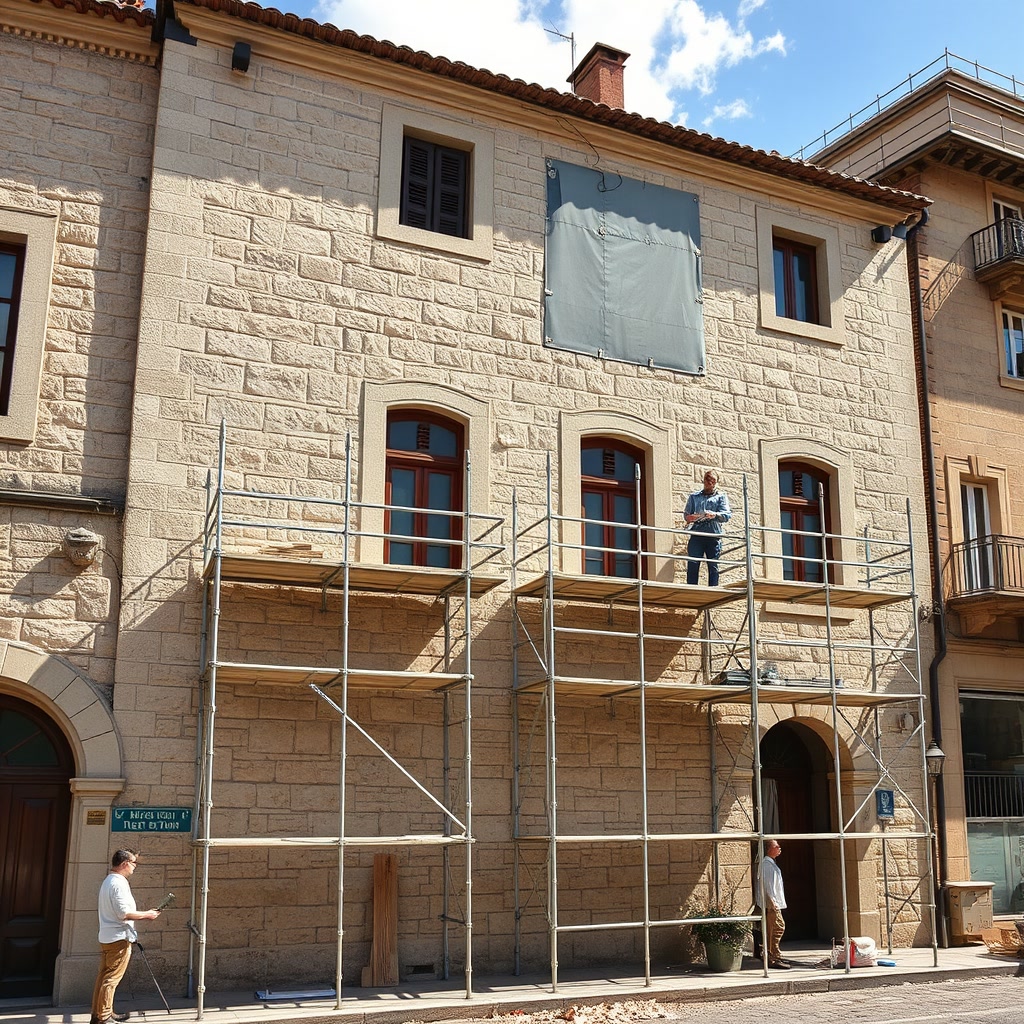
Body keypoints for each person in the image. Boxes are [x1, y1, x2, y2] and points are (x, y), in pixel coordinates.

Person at [91, 849, 162, 1024]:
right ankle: (105, 1016)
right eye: (133, 863)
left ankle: (98, 1014)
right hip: (118, 938)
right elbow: (124, 913)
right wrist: (148, 914)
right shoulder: (118, 883)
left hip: (108, 936)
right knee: (111, 979)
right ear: (124, 864)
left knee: (104, 976)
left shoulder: (109, 881)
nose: (134, 867)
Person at [684, 470, 732, 586]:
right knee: (693, 564)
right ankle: (691, 589)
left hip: (713, 536)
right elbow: (686, 515)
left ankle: (713, 589)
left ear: (716, 482)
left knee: (713, 565)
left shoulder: (721, 497)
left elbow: (726, 515)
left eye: (712, 480)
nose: (709, 482)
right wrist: (693, 517)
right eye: (707, 479)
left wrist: (714, 515)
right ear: (703, 480)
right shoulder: (694, 497)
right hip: (697, 535)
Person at [757, 839, 789, 969]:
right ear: (769, 849)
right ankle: (773, 957)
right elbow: (768, 885)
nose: (779, 848)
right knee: (776, 928)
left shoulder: (771, 864)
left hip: (774, 903)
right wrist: (773, 903)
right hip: (771, 904)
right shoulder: (767, 865)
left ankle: (773, 955)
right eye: (777, 846)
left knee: (775, 928)